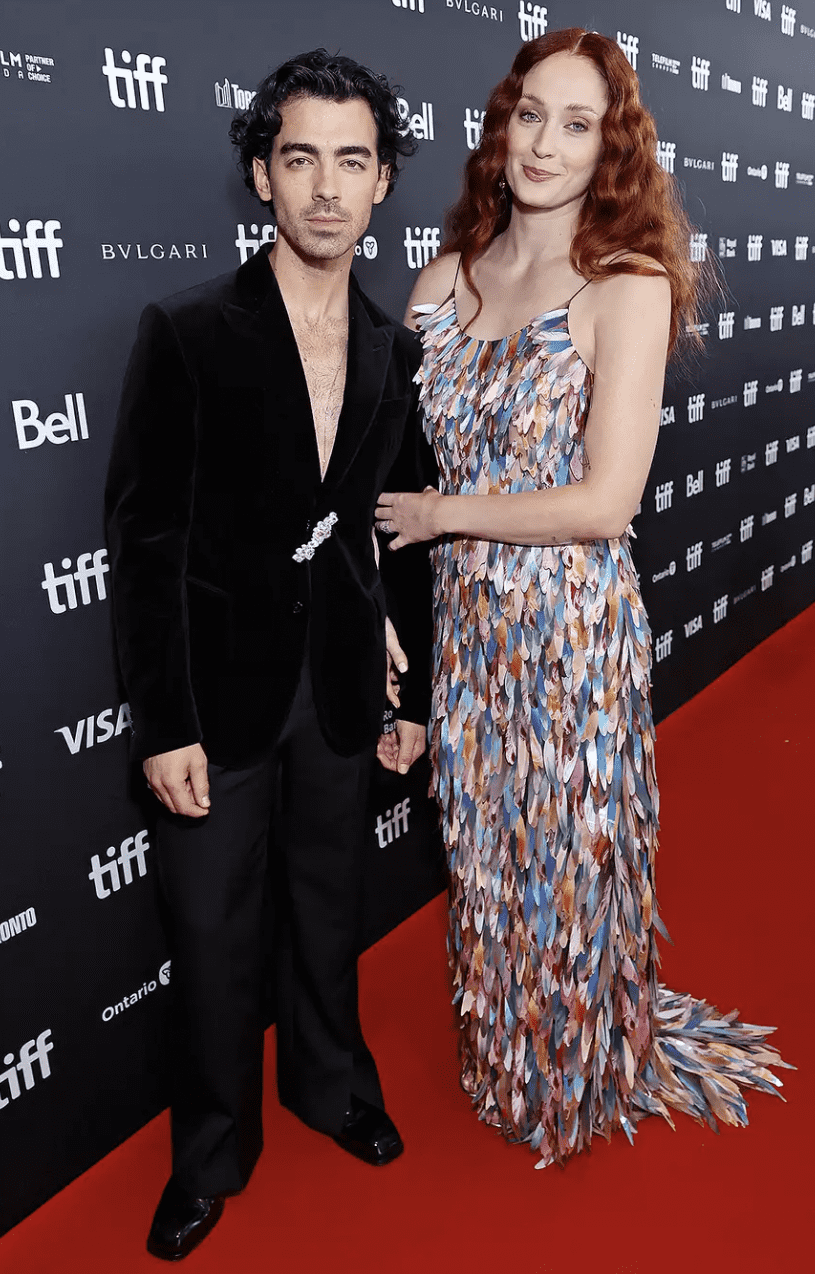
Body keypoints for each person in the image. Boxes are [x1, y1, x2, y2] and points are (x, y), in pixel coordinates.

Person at [377, 27, 788, 1168]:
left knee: (565, 850)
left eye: (575, 122)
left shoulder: (628, 285)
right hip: (464, 627)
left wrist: (442, 513)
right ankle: (506, 1045)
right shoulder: (438, 279)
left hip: (564, 628)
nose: (544, 144)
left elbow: (605, 501)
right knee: (489, 857)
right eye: (529, 114)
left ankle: (572, 1070)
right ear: (500, 124)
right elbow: (386, 466)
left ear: (610, 145)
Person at [106, 49, 434, 1261]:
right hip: (217, 691)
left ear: (383, 181)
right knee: (209, 931)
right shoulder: (188, 330)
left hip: (344, 680)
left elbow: (394, 524)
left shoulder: (395, 350)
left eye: (353, 160)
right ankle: (209, 1152)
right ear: (261, 176)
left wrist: (417, 688)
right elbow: (142, 541)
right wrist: (163, 721)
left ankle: (329, 1083)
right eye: (301, 159)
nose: (327, 188)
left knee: (327, 902)